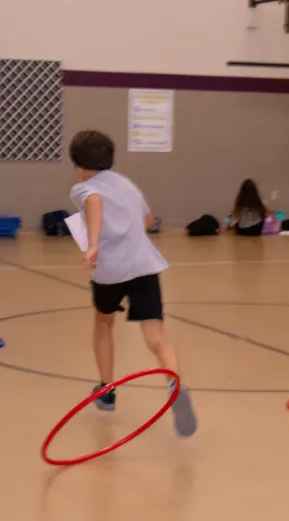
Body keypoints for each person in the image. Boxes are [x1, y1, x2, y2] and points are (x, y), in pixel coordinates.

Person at [68, 129, 197, 437]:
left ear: (77, 163)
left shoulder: (84, 188)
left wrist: (95, 242)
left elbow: (95, 202)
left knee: (103, 322)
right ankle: (174, 383)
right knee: (155, 335)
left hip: (111, 271)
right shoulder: (126, 184)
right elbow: (149, 220)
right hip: (144, 265)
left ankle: (107, 390)